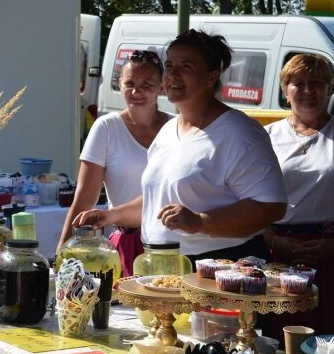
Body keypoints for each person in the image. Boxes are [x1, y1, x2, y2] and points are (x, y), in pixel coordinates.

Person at [73, 30, 287, 262]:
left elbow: (271, 206)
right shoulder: (168, 130)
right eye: (169, 65)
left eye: (186, 67)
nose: (173, 74)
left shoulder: (240, 133)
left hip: (219, 269)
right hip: (163, 265)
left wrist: (199, 222)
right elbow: (157, 200)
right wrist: (110, 215)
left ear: (211, 77)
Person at [56, 50, 171, 276]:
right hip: (127, 245)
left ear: (162, 87)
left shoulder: (176, 127)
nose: (136, 91)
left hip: (171, 245)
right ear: (119, 84)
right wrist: (63, 252)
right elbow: (85, 198)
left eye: (146, 84)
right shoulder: (106, 127)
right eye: (130, 83)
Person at [264, 54, 334, 335]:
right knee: (282, 340)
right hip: (279, 256)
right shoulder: (265, 137)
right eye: (298, 83)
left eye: (316, 83)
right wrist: (275, 240)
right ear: (285, 91)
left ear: (328, 88)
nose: (307, 90)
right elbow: (250, 198)